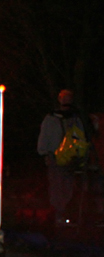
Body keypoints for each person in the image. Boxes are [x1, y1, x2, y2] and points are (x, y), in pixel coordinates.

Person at [37, 89, 87, 225]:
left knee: (68, 186)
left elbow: (80, 137)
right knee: (56, 186)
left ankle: (67, 214)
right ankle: (57, 215)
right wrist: (44, 152)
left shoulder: (75, 118)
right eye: (64, 98)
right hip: (54, 156)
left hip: (70, 158)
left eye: (68, 98)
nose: (66, 101)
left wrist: (79, 154)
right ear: (59, 99)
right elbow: (44, 135)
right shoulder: (51, 118)